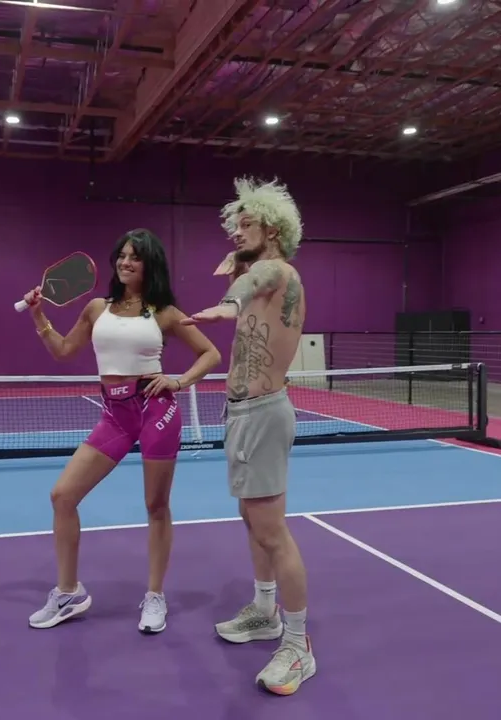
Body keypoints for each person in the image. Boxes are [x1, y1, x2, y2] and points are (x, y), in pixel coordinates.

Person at [21, 228, 221, 634]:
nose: (125, 262)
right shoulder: (97, 308)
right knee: (62, 496)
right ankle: (69, 593)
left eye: (135, 257)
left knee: (156, 505)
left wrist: (179, 381)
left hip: (155, 408)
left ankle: (155, 596)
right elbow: (63, 351)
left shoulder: (163, 312)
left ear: (150, 264)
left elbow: (211, 353)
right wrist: (38, 314)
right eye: (122, 255)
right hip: (115, 414)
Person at [181, 177, 315, 695]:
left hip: (263, 414)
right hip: (241, 413)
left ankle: (298, 645)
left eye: (246, 224)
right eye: (233, 226)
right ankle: (265, 610)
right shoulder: (259, 272)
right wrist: (238, 260)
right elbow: (246, 271)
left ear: (274, 229)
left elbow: (254, 278)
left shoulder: (278, 271)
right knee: (252, 519)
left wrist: (228, 303)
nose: (236, 233)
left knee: (272, 531)